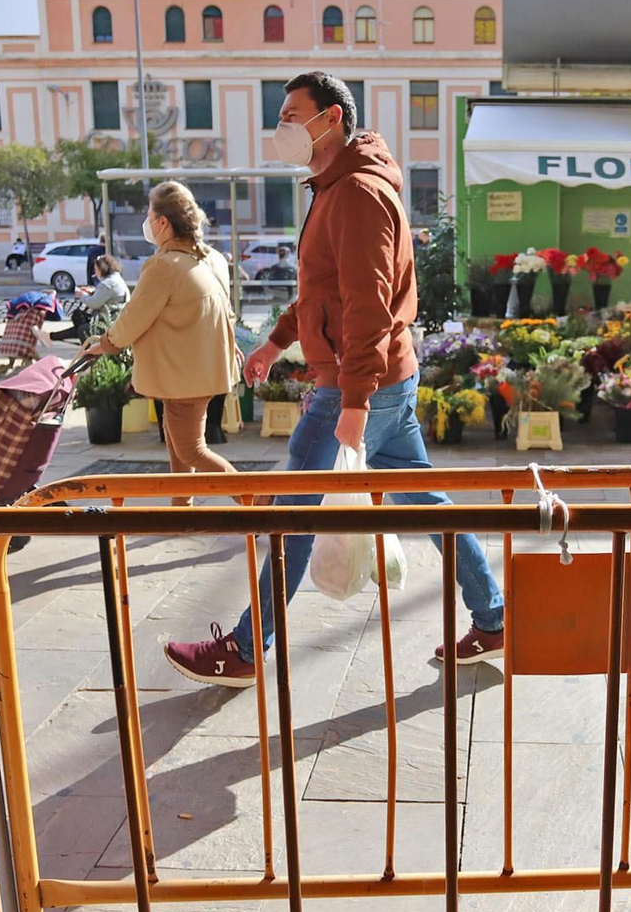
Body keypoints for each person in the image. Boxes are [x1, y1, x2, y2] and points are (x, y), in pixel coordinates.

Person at [164, 72, 505, 688]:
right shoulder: (334, 188)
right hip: (377, 378)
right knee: (423, 500)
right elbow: (324, 290)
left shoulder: (356, 194)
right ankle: (496, 615)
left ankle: (244, 649)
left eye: (294, 115)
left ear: (332, 120)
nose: (283, 128)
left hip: (354, 383)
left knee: (292, 512)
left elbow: (367, 304)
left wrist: (353, 400)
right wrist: (276, 340)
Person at [86, 181, 240, 505]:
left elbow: (134, 317)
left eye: (149, 214)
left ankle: (259, 505)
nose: (147, 221)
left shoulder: (164, 266)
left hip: (184, 374)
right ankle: (182, 512)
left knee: (191, 449)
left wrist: (105, 343)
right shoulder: (209, 257)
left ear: (163, 223)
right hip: (200, 369)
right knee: (177, 444)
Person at [51, 254, 130, 342]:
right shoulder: (116, 279)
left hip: (108, 322)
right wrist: (92, 292)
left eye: (96, 269)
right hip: (117, 318)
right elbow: (105, 295)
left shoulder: (107, 284)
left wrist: (82, 295)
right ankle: (53, 336)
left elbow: (94, 303)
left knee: (82, 328)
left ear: (102, 269)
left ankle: (90, 353)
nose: (95, 272)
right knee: (80, 320)